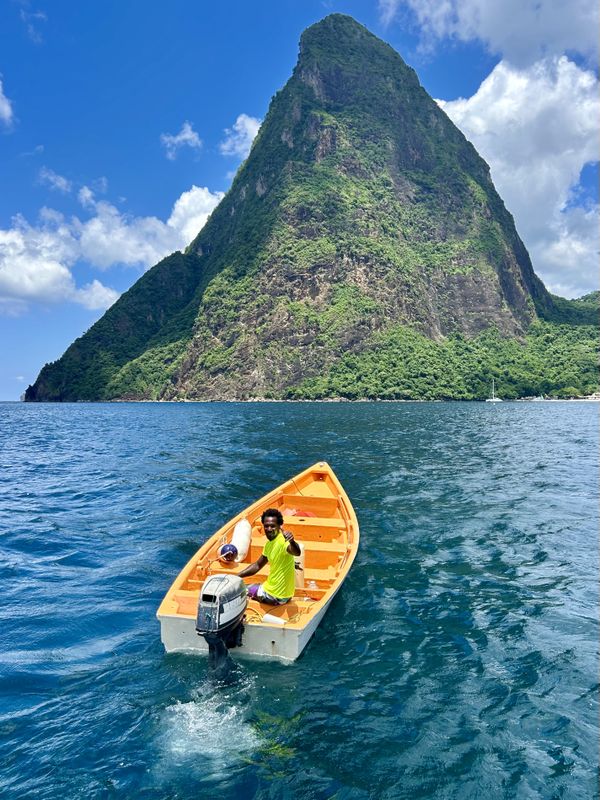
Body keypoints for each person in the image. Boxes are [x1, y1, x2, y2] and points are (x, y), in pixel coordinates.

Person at [238, 508, 300, 605]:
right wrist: (238, 576)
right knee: (255, 585)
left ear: (279, 526)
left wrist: (292, 541)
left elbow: (296, 552)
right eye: (266, 526)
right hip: (281, 594)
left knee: (239, 590)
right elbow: (257, 565)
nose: (269, 529)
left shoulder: (283, 541)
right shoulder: (268, 545)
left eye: (272, 526)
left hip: (275, 596)